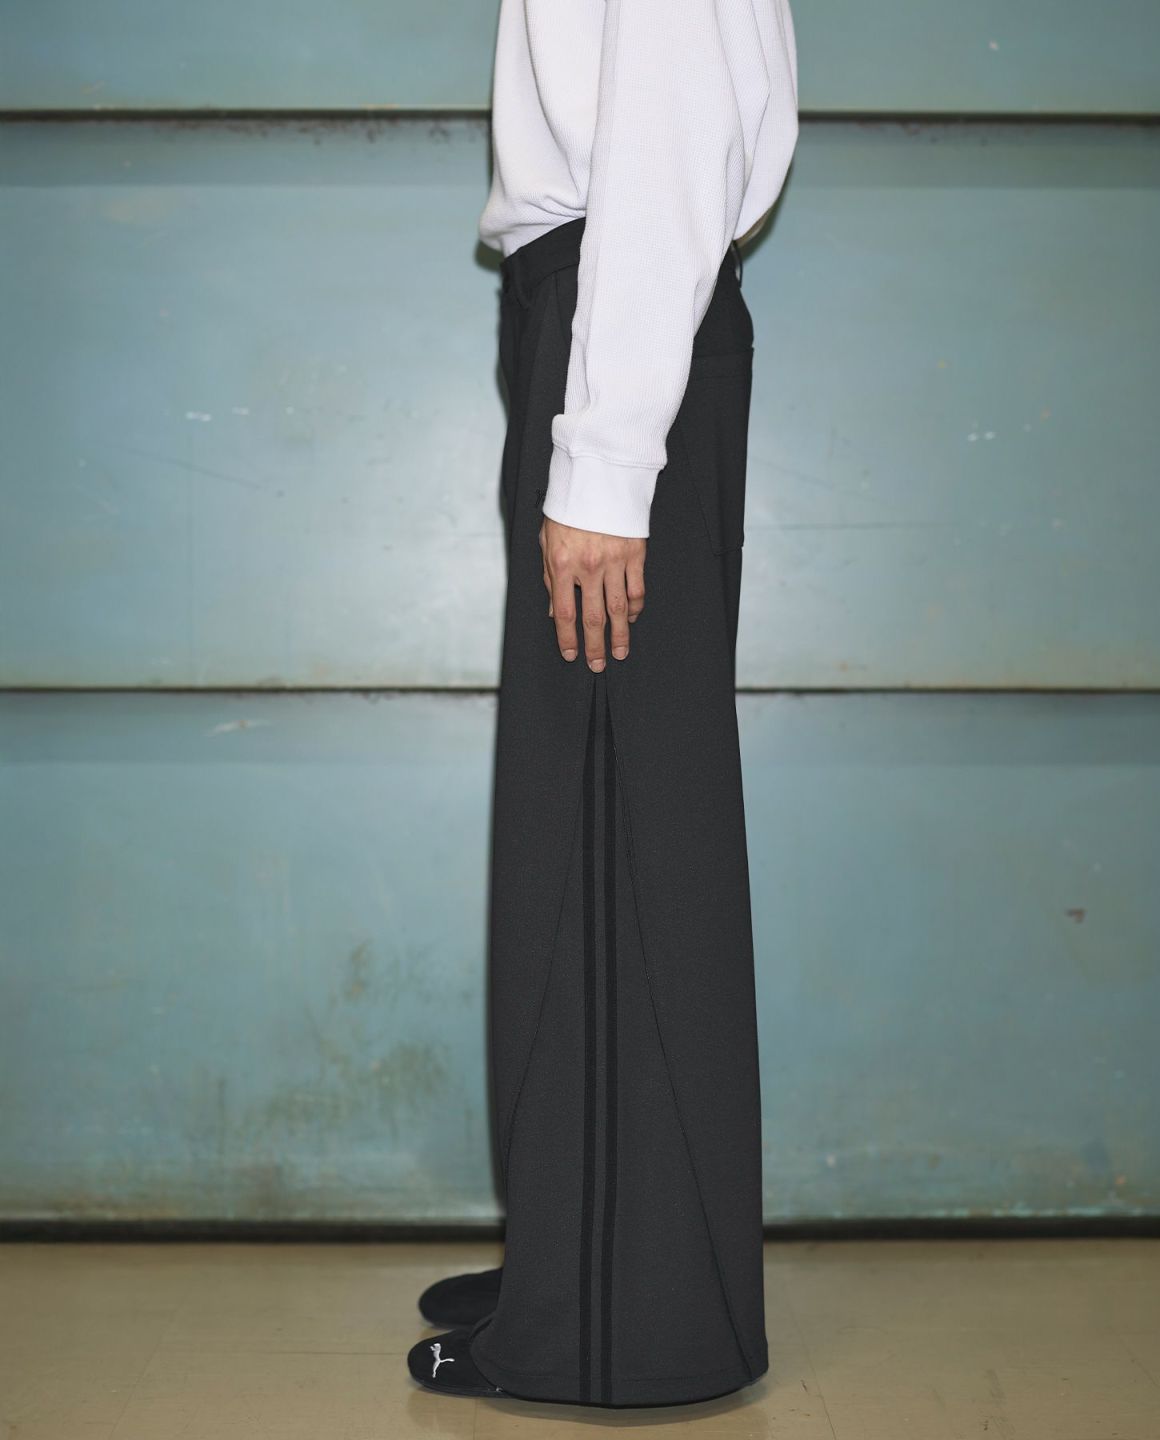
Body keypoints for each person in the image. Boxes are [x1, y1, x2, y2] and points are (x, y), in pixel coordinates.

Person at [407, 0, 800, 1409]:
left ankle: (619, 1327)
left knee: (611, 840)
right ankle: (589, 1258)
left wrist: (606, 457)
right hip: (591, 311)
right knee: (596, 829)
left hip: (616, 317)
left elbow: (671, 133)